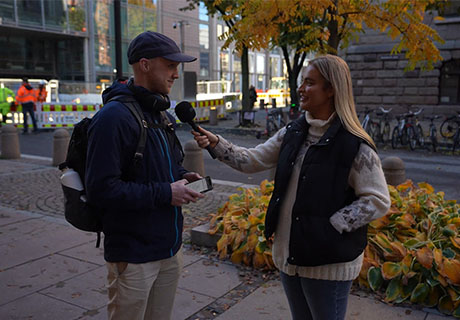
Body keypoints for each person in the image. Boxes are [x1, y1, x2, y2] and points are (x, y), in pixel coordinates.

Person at [193, 54, 391, 320]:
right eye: (302, 82)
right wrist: (217, 143)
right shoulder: (293, 132)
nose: (300, 89)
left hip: (327, 264)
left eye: (309, 83)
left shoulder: (353, 145)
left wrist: (332, 225)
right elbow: (253, 160)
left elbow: (377, 200)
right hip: (291, 258)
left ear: (331, 89)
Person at [85, 31, 204, 320]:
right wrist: (166, 192)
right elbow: (101, 190)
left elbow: (167, 166)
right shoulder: (113, 118)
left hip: (169, 248)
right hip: (133, 255)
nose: (176, 74)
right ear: (145, 65)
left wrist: (182, 175)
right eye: (171, 65)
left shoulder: (160, 112)